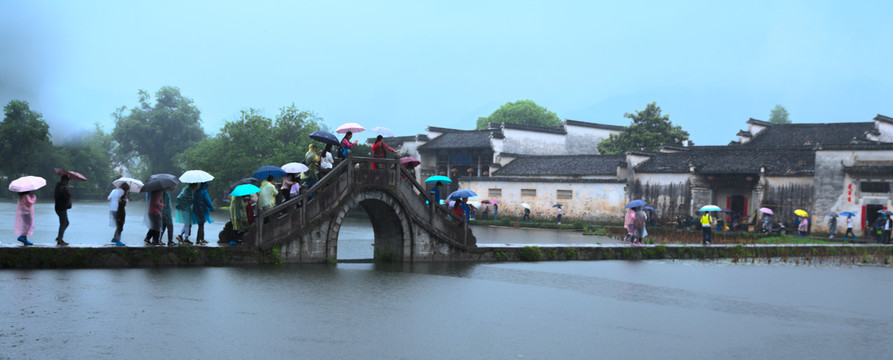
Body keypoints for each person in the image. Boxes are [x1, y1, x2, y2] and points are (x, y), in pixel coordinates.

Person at [54, 175, 71, 246]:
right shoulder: (62, 188)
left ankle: (59, 237)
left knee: (65, 223)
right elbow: (66, 198)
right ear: (64, 180)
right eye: (67, 181)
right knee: (64, 223)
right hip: (62, 208)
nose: (67, 182)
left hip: (58, 207)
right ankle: (60, 239)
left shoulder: (58, 186)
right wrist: (68, 193)